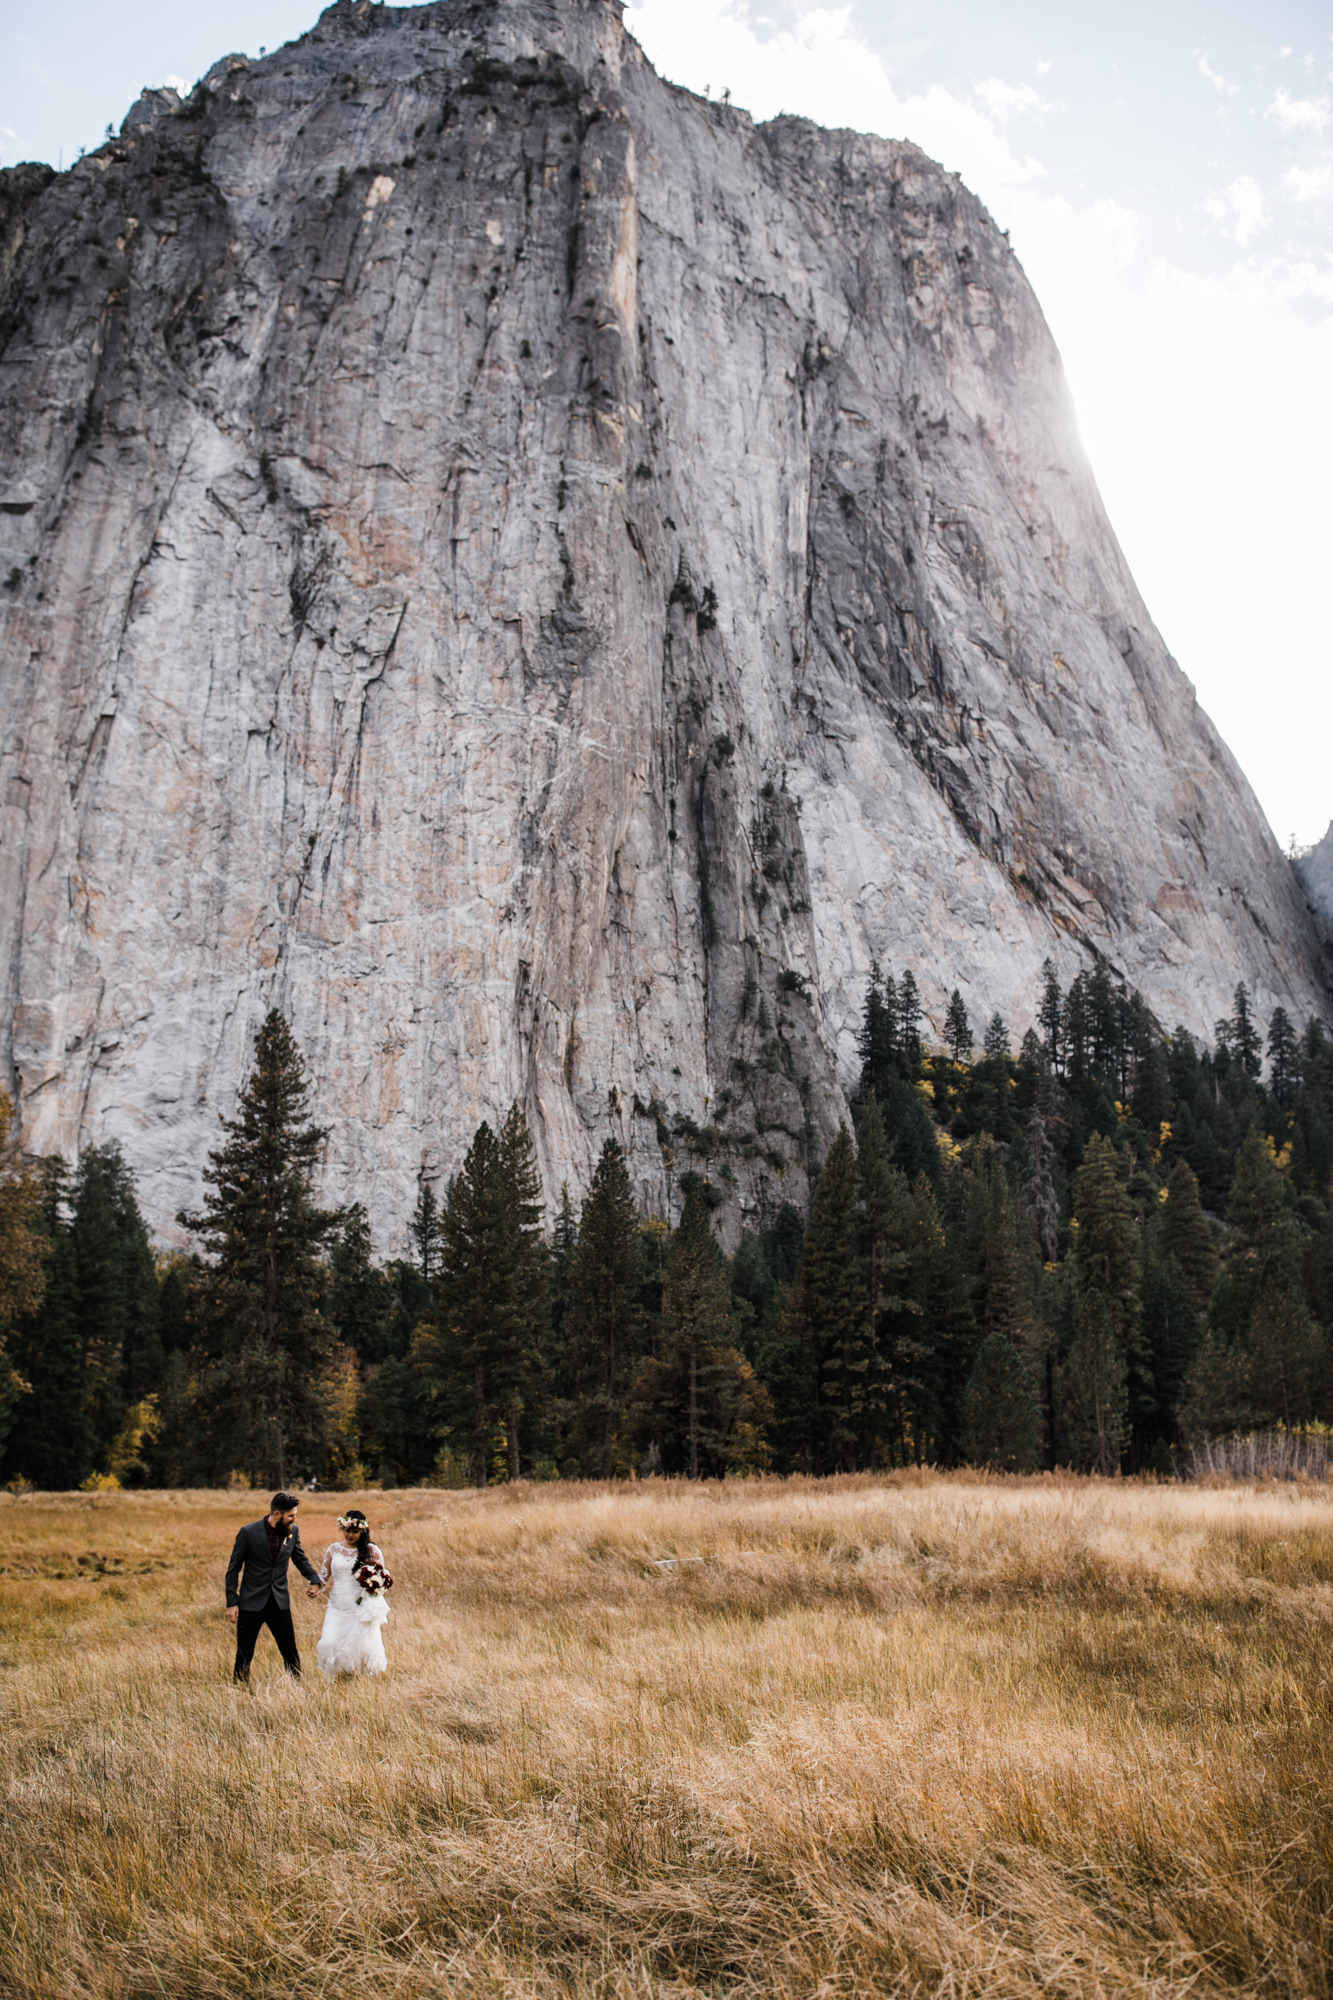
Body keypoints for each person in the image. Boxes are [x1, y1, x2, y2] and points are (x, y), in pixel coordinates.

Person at [224, 1491, 323, 1685]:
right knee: (244, 1653)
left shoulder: (293, 1531)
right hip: (250, 1603)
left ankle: (297, 1687)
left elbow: (300, 1558)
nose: (294, 1519)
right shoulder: (248, 1532)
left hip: (279, 1602)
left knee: (290, 1651)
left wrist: (315, 1580)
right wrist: (232, 1602)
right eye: (291, 1515)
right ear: (277, 1515)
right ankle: (239, 1690)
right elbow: (233, 1569)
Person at [316, 1508, 392, 1680]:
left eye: (355, 1532)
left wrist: (374, 1585)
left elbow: (383, 1577)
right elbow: (324, 1576)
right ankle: (331, 1678)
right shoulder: (334, 1549)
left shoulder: (371, 1551)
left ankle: (358, 1680)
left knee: (361, 1646)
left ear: (362, 1531)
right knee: (329, 1642)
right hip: (336, 1606)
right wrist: (315, 1588)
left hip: (360, 1606)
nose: (350, 1535)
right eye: (347, 1531)